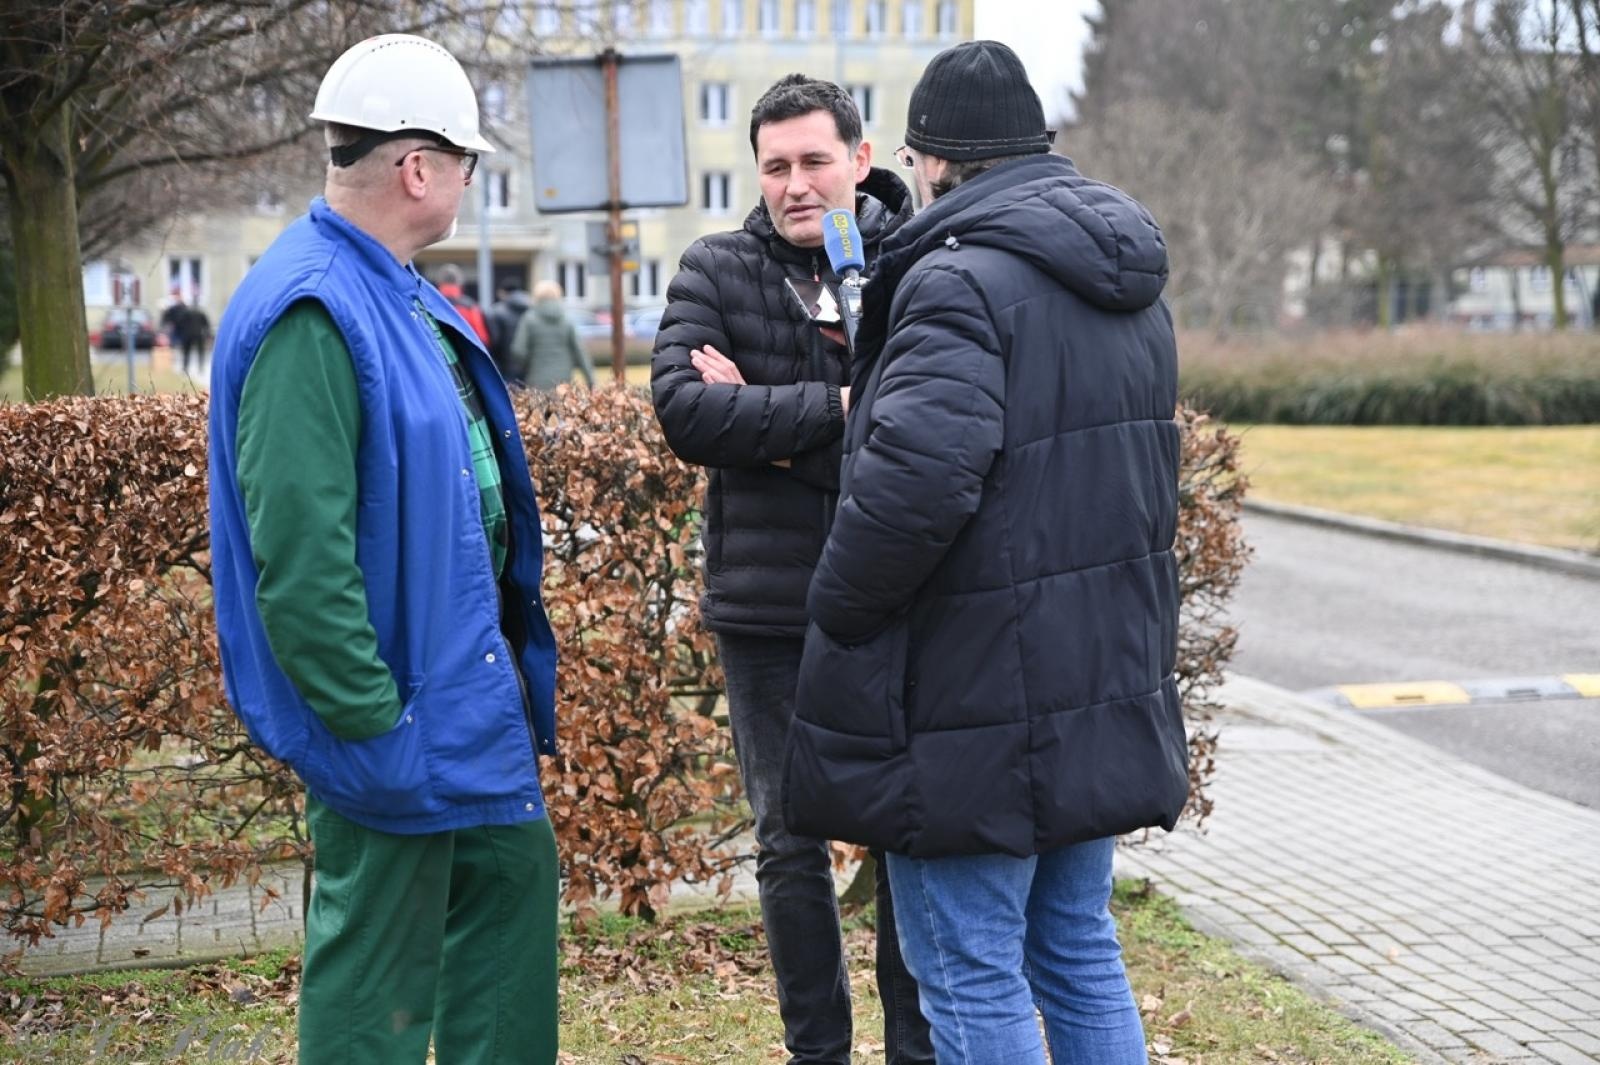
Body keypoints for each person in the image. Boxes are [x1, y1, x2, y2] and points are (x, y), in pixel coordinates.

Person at [784, 41, 1189, 1065]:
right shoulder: (1128, 285)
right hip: (1097, 675)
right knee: (1075, 945)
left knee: (966, 966)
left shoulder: (954, 283)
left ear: (929, 160)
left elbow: (911, 492)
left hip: (970, 699)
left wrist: (833, 607)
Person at [206, 33, 560, 1065]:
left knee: (510, 900)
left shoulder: (389, 287)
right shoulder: (315, 305)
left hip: (460, 706)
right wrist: (371, 722)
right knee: (375, 989)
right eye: (464, 162)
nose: (465, 182)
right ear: (418, 168)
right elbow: (303, 563)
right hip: (400, 720)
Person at [652, 74, 931, 1065]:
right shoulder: (716, 269)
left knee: (907, 832)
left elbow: (927, 428)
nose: (795, 184)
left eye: (815, 161)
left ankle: (916, 1049)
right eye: (775, 166)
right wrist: (846, 410)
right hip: (768, 609)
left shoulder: (917, 266)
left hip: (898, 600)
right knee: (785, 838)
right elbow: (689, 416)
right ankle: (818, 1051)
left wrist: (763, 424)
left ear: (861, 160)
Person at [509, 281, 595, 390]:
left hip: (536, 379)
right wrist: (591, 381)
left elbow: (518, 350)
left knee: (538, 406)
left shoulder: (529, 319)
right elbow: (580, 352)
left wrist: (526, 365)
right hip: (563, 380)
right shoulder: (567, 320)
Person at [435, 262, 493, 345]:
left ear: (439, 282)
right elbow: (482, 338)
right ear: (459, 281)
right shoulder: (470, 306)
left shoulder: (427, 304)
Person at [486, 282, 533, 380]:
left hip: (505, 366)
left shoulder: (496, 311)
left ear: (503, 293)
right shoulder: (532, 309)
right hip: (529, 366)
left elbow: (494, 341)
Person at [177, 300, 211, 375]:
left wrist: (181, 332)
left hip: (188, 334)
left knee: (186, 352)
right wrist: (207, 334)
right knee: (201, 352)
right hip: (199, 334)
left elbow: (180, 323)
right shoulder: (201, 313)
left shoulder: (186, 313)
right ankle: (201, 367)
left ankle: (185, 367)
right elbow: (206, 325)